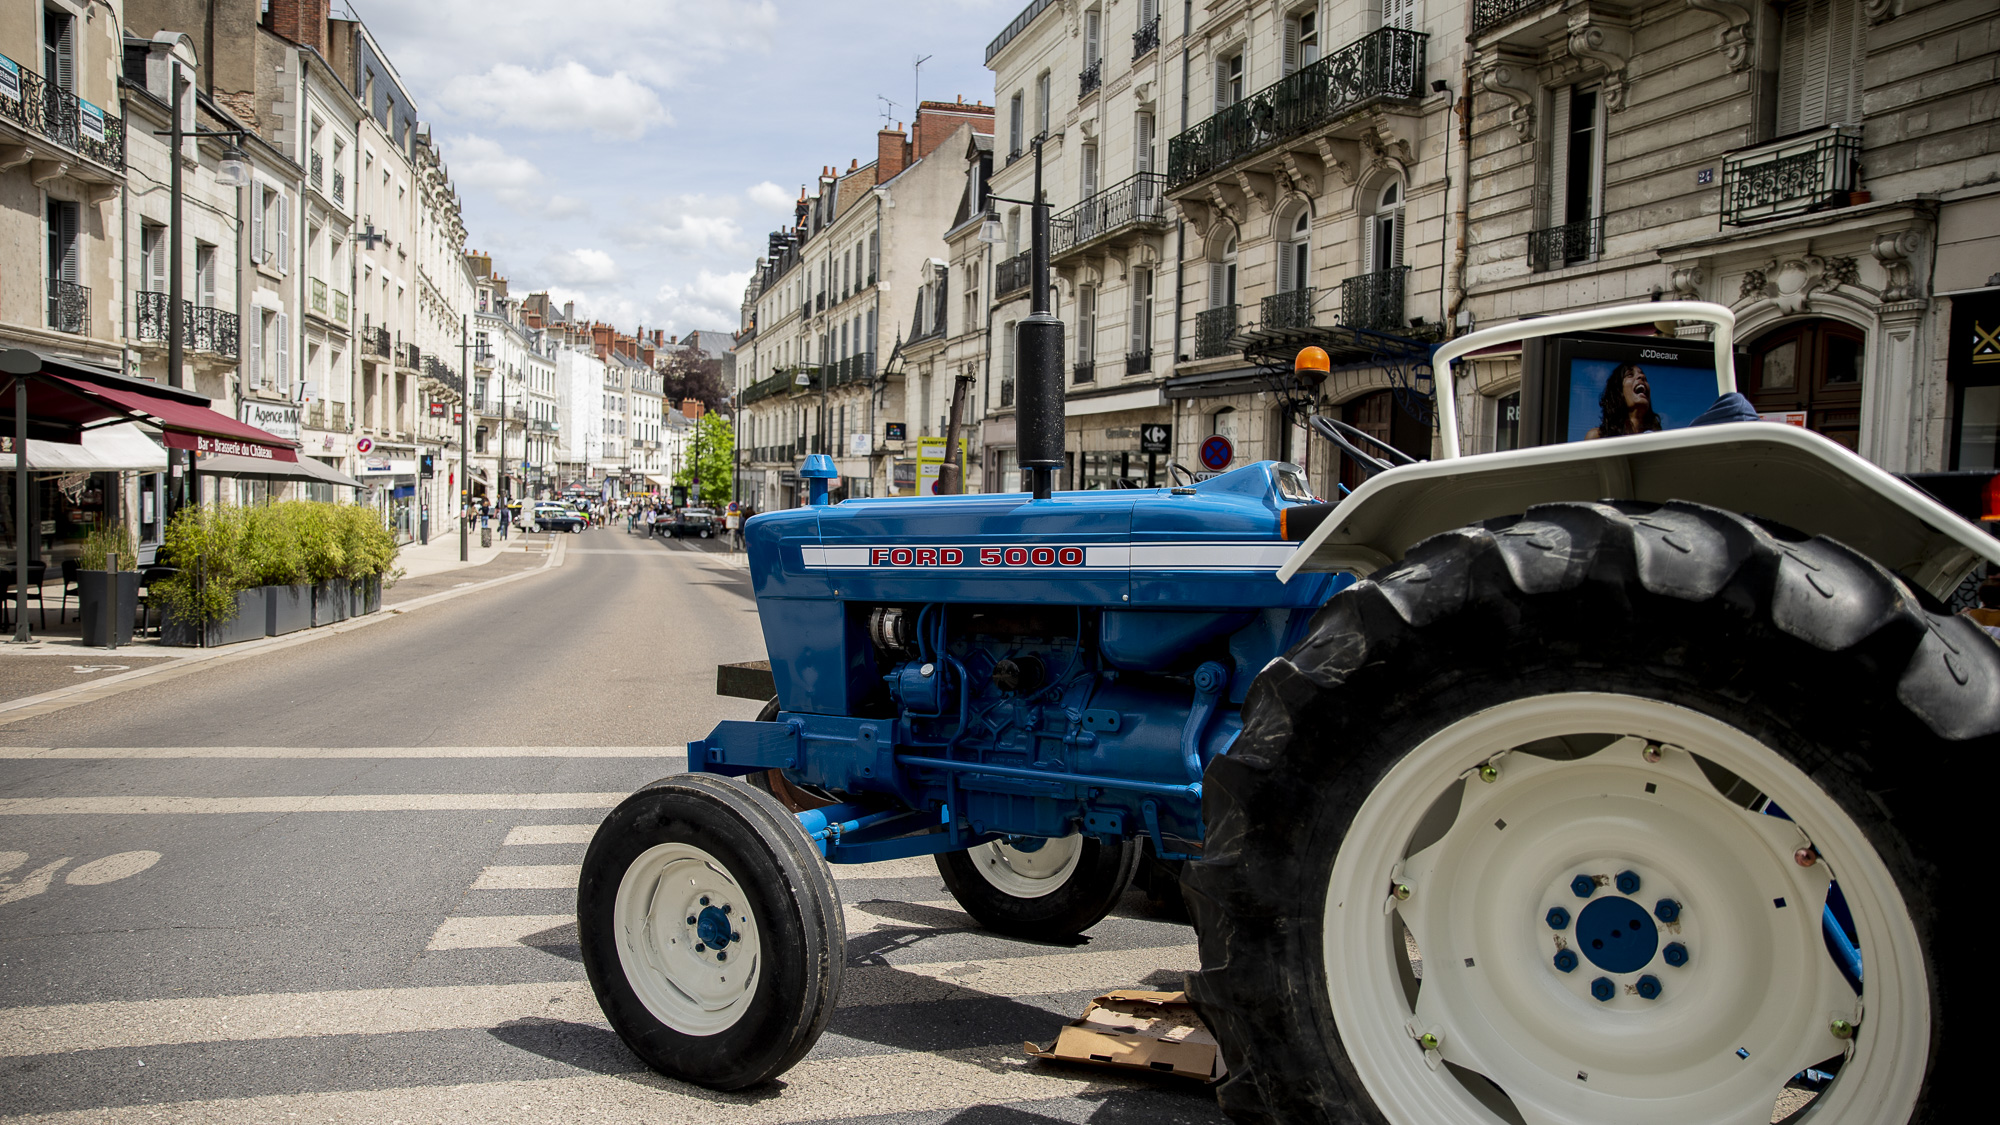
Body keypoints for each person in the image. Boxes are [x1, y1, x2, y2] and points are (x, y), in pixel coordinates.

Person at [1585, 363, 1666, 439]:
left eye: (1642, 374)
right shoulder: (1597, 437)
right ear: (1618, 391)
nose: (1642, 376)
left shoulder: (1659, 439)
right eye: (1630, 375)